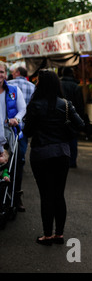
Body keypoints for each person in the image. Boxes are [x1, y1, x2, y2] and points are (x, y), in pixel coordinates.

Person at [23, 69, 84, 246]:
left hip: (41, 154)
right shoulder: (65, 104)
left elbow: (27, 132)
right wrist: (65, 134)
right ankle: (59, 234)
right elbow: (80, 124)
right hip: (62, 153)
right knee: (59, 194)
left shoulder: (35, 105)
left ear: (41, 84)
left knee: (46, 195)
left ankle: (47, 235)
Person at [7, 65, 35, 211]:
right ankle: (16, 195)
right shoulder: (33, 87)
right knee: (18, 160)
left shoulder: (9, 85)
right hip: (21, 130)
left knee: (5, 160)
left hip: (5, 128)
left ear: (17, 73)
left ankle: (6, 191)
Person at [0, 61, 26, 211]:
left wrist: (16, 118)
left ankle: (15, 197)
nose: (0, 75)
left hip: (9, 134)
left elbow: (22, 109)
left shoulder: (14, 90)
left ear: (6, 73)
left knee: (14, 166)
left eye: (1, 72)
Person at [60, 67, 84, 168]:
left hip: (59, 116)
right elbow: (80, 104)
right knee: (73, 140)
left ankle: (62, 160)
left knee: (61, 139)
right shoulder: (76, 86)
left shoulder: (58, 85)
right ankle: (72, 161)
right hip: (73, 117)